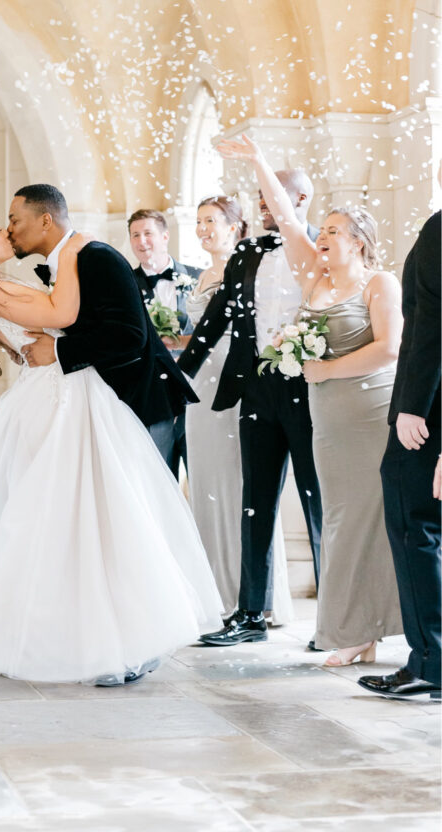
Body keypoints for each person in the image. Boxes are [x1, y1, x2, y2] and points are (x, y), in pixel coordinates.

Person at [0, 208, 223, 684]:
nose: (6, 231)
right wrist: (74, 254)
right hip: (57, 399)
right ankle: (89, 630)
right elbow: (64, 314)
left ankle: (110, 624)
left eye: (9, 221)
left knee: (91, 511)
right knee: (75, 514)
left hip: (64, 391)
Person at [217, 134, 403, 666]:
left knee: (377, 518)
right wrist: (257, 161)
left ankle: (370, 627)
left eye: (334, 232)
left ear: (360, 241)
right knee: (344, 519)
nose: (321, 237)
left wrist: (324, 369)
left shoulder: (379, 284)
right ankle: (356, 629)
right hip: (330, 417)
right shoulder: (314, 277)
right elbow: (285, 215)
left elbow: (390, 350)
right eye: (322, 230)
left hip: (372, 413)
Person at [179, 161, 323, 647]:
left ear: (299, 200)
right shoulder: (247, 252)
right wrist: (178, 376)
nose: (263, 206)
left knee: (317, 503)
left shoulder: (322, 247)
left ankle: (335, 620)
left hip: (311, 391)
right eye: (260, 198)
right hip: (257, 389)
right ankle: (250, 615)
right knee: (254, 503)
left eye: (272, 197)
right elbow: (215, 320)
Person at [14, 185, 197, 461]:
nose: (10, 230)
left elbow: (129, 335)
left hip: (139, 399)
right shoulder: (65, 264)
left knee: (145, 498)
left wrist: (57, 350)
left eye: (14, 220)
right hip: (103, 404)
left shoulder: (98, 257)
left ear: (45, 221)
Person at [183, 195, 294, 625]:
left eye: (211, 220)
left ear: (235, 226)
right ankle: (213, 590)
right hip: (198, 387)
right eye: (198, 222)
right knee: (205, 481)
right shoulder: (198, 275)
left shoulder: (247, 264)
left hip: (233, 383)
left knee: (239, 485)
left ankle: (250, 594)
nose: (203, 228)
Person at [359, 208, 441, 699]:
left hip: (428, 414)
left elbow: (431, 323)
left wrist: (413, 407)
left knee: (416, 529)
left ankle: (430, 663)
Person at [128, 209, 201, 477]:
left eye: (148, 233)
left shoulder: (199, 277)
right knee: (157, 477)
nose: (142, 241)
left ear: (165, 236)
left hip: (196, 391)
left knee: (202, 477)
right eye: (135, 235)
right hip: (151, 395)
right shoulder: (126, 283)